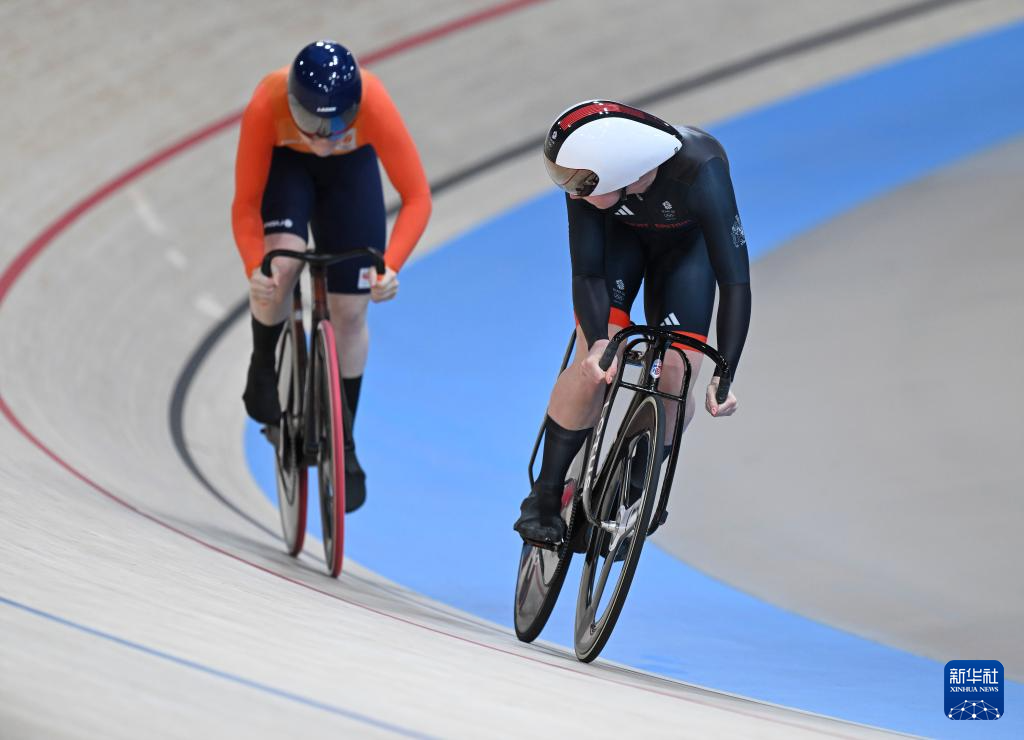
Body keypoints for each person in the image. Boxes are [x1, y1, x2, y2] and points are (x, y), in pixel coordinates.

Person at [514, 100, 751, 544]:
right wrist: (601, 341)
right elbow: (586, 272)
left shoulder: (702, 169)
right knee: (598, 361)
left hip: (686, 256)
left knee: (677, 378)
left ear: (622, 172)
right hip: (617, 242)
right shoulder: (590, 182)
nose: (569, 190)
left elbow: (735, 281)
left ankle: (628, 493)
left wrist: (725, 371)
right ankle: (545, 496)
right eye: (561, 177)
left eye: (576, 180)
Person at [231, 40, 431, 511]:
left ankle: (345, 440)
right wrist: (252, 266)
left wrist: (391, 265)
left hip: (350, 176)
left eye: (337, 122)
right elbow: (244, 204)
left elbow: (417, 196)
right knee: (278, 269)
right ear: (293, 106)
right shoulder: (267, 103)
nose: (323, 138)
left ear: (356, 106)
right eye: (313, 125)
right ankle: (263, 366)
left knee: (350, 311)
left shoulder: (375, 103)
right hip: (288, 172)